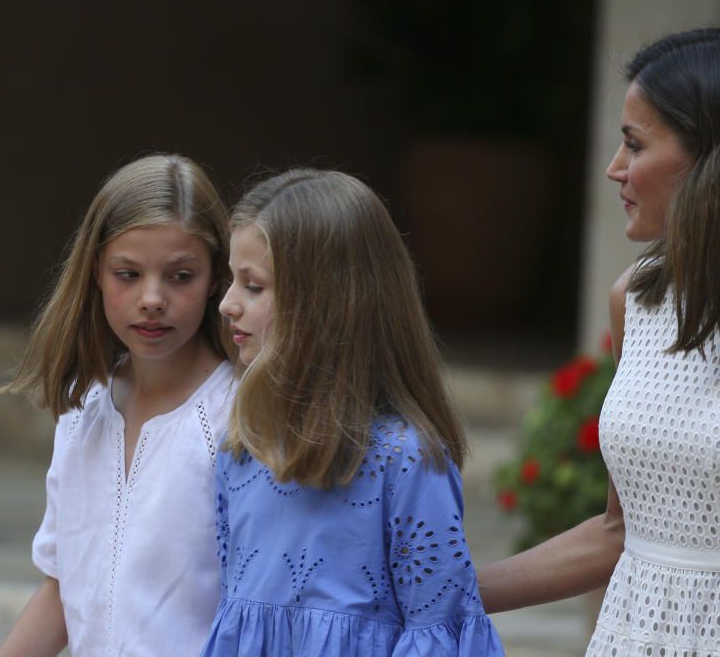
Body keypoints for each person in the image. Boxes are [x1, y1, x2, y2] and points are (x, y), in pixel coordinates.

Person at [478, 28, 720, 656]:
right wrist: (449, 591)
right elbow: (621, 531)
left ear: (717, 157)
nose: (614, 167)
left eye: (635, 144)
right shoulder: (634, 300)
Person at [203, 168, 503, 655]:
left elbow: (437, 630)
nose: (227, 305)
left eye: (253, 286)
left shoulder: (405, 461)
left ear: (325, 304)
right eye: (231, 283)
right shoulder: (242, 448)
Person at [0, 154, 237, 656]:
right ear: (96, 274)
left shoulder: (239, 416)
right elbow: (62, 590)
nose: (152, 298)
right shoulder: (82, 409)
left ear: (216, 277)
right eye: (127, 274)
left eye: (180, 276)